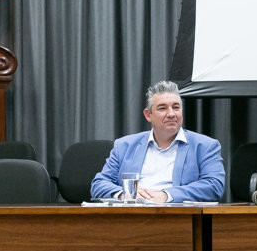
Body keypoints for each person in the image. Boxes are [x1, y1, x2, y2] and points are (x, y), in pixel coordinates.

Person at [90, 80, 225, 202]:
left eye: (176, 107)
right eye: (162, 108)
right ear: (148, 115)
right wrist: (124, 194)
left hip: (179, 218)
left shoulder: (205, 146)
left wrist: (166, 195)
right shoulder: (125, 146)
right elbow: (99, 184)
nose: (171, 114)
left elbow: (214, 186)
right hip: (131, 216)